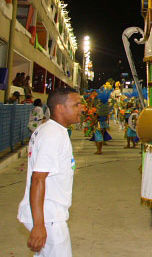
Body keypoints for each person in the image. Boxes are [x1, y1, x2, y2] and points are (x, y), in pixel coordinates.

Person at [17, 88, 82, 256]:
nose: (81, 109)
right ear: (60, 108)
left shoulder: (54, 131)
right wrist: (39, 225)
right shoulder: (53, 135)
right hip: (49, 218)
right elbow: (38, 179)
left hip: (49, 216)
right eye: (76, 105)